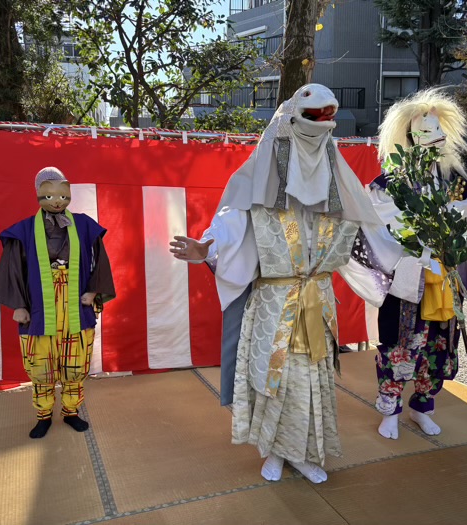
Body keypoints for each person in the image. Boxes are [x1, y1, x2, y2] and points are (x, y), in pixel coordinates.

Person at [171, 84, 399, 484]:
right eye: (314, 115)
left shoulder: (338, 179)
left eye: (328, 116)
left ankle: (308, 453)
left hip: (319, 299)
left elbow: (372, 234)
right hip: (274, 301)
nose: (322, 124)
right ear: (291, 121)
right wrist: (206, 247)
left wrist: (414, 254)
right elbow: (232, 221)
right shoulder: (260, 173)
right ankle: (275, 451)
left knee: (315, 377)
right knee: (275, 376)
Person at [368, 89, 467, 440]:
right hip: (407, 281)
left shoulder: (456, 182)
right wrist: (416, 246)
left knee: (439, 346)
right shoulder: (391, 184)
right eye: (425, 128)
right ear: (406, 136)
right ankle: (389, 408)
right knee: (400, 344)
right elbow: (377, 227)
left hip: (447, 275)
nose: (436, 135)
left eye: (439, 128)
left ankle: (423, 405)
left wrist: (455, 235)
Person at [0, 167, 115, 438]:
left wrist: (93, 291)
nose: (56, 202)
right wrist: (19, 306)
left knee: (75, 362)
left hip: (76, 305)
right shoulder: (23, 230)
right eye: (48, 196)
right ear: (38, 194)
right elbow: (12, 269)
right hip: (38, 308)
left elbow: (99, 260)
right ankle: (43, 414)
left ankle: (71, 411)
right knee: (40, 363)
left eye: (62, 196)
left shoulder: (83, 224)